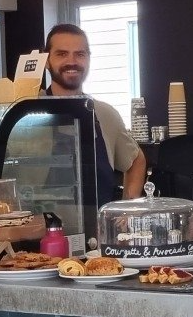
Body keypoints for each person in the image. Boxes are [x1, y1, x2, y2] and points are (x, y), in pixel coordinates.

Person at [45, 23, 147, 201]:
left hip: (97, 227)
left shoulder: (104, 113)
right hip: (43, 227)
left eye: (80, 54)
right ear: (46, 61)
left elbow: (136, 160)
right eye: (62, 54)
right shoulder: (28, 113)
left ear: (89, 59)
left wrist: (126, 210)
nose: (72, 61)